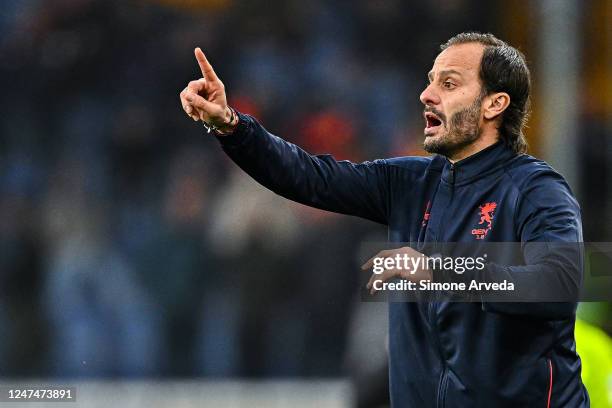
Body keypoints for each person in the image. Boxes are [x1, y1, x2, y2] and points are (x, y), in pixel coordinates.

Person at [179, 32, 589, 407]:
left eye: (448, 84)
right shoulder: (409, 183)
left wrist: (439, 268)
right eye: (430, 81)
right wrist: (231, 126)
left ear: (494, 104)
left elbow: (559, 283)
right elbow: (309, 178)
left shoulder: (537, 190)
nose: (426, 95)